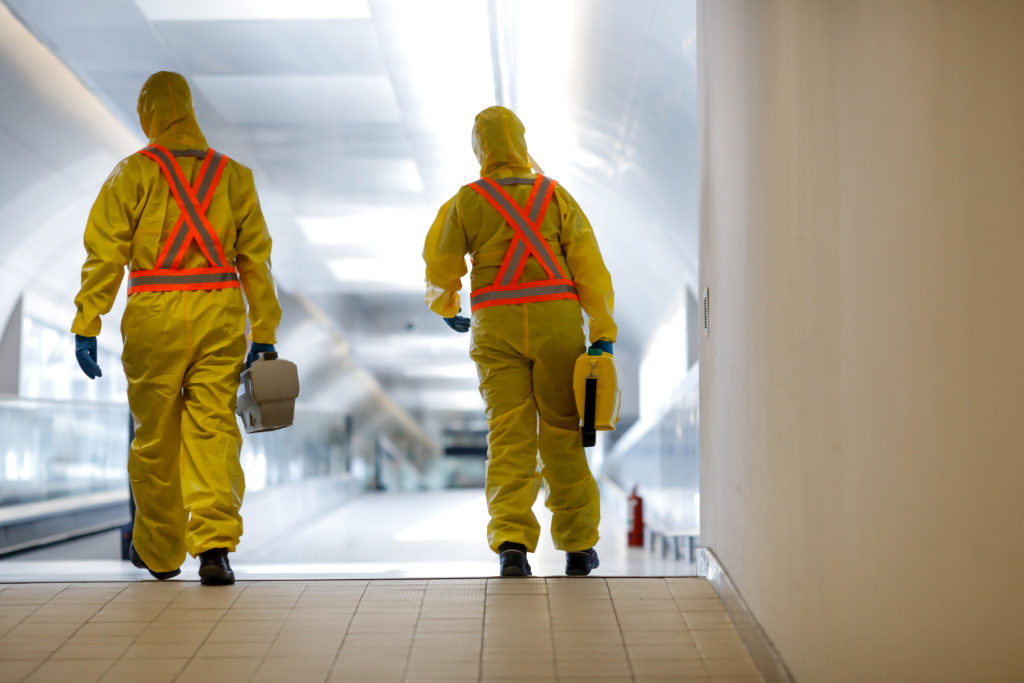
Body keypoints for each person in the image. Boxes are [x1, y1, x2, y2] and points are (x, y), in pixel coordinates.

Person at [71, 71, 281, 585]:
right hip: (219, 313)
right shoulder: (235, 176)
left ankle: (161, 552)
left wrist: (87, 322)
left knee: (155, 438)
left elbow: (105, 255)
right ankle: (213, 547)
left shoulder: (132, 174)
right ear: (189, 109)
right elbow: (256, 260)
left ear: (150, 114)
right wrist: (266, 332)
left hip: (154, 315)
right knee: (213, 431)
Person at [422, 106, 616, 576]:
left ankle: (511, 544)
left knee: (508, 435)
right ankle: (576, 545)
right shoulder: (555, 196)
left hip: (497, 326)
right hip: (557, 324)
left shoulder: (466, 202)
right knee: (562, 435)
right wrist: (603, 332)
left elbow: (440, 265)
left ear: (480, 148)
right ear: (521, 142)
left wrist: (448, 306)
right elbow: (589, 266)